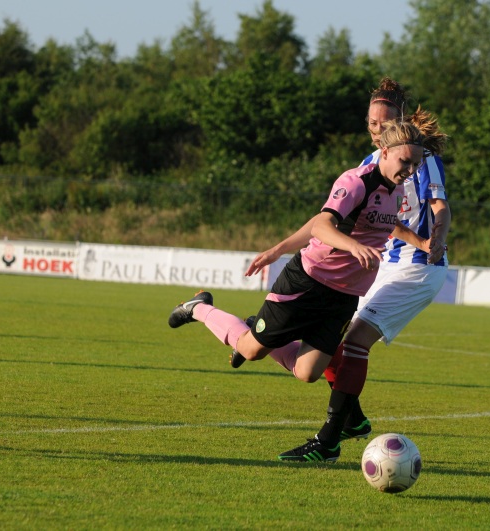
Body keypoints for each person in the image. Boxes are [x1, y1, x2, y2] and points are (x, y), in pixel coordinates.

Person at [168, 118, 439, 462]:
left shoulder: (396, 190)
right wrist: (342, 248)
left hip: (344, 296)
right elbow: (323, 223)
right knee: (250, 351)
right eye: (405, 161)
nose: (411, 170)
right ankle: (199, 307)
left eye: (416, 164)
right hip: (307, 283)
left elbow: (384, 225)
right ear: (384, 152)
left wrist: (420, 241)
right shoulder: (356, 181)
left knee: (307, 373)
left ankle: (265, 332)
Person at [245, 78, 450, 462]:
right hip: (381, 264)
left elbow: (439, 206)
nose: (376, 129)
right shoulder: (370, 164)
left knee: (354, 343)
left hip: (417, 268)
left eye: (384, 122)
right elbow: (366, 219)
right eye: (371, 122)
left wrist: (435, 236)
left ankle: (329, 441)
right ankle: (351, 419)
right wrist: (278, 248)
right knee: (334, 342)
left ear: (400, 122)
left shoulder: (417, 157)